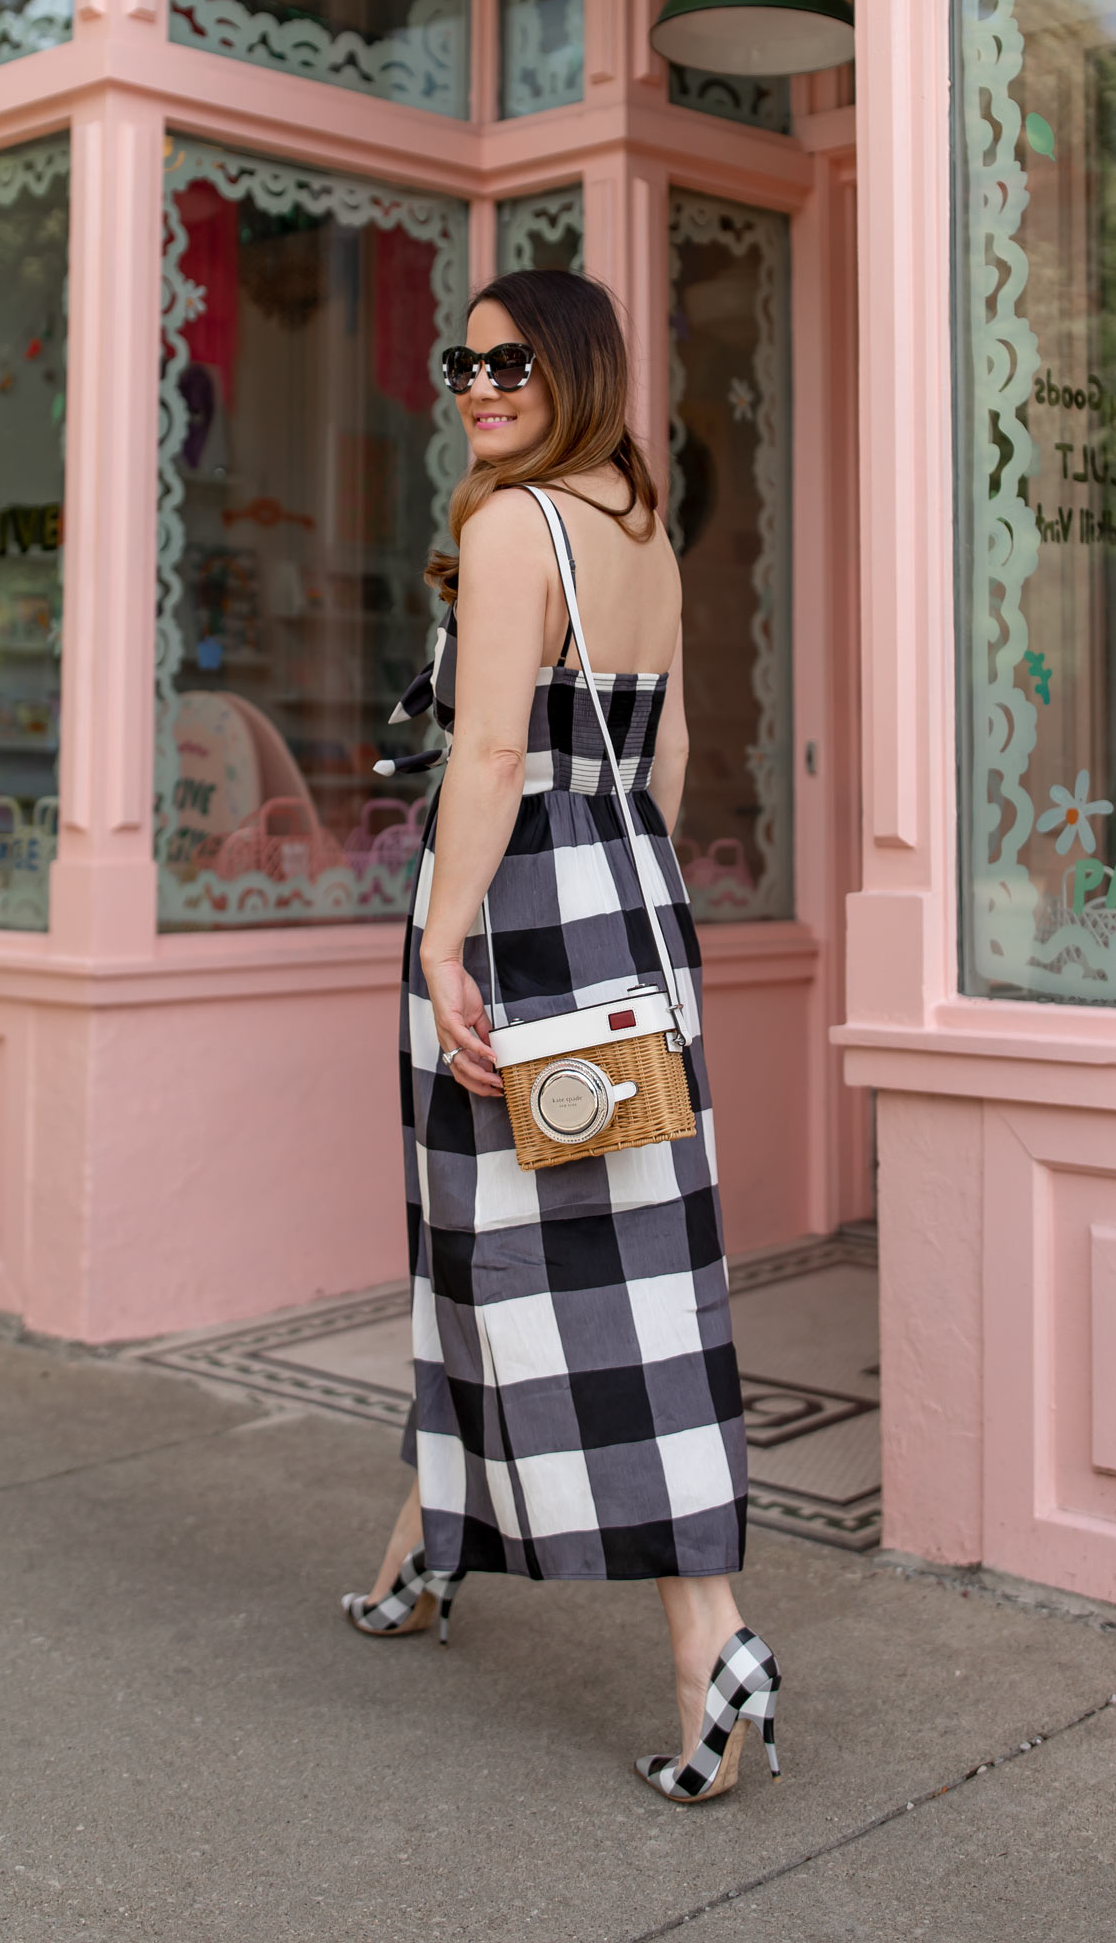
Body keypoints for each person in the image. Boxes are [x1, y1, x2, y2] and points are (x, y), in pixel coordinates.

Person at [341, 268, 781, 1806]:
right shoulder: (639, 527)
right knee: (566, 1251)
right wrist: (637, 927)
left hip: (523, 904)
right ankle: (424, 1550)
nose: (478, 384)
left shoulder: (516, 525)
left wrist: (449, 937)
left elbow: (490, 745)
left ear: (576, 366)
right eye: (463, 362)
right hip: (634, 902)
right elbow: (658, 767)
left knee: (567, 1266)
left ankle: (710, 1642)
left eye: (512, 362)